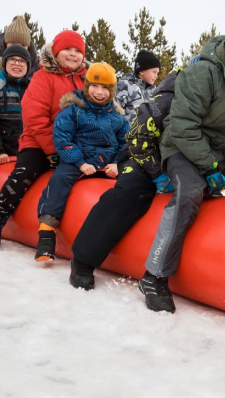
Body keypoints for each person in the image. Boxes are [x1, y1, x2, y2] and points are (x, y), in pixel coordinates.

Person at [133, 9, 225, 313]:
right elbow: (183, 127)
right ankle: (154, 275)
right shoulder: (203, 73)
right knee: (189, 192)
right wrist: (210, 167)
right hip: (182, 150)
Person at [68, 67, 181, 290]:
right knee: (130, 193)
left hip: (186, 162)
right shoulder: (167, 99)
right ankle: (83, 259)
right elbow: (139, 137)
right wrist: (157, 172)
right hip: (144, 155)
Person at [35, 62, 129, 262]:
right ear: (87, 86)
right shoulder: (73, 110)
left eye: (105, 88)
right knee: (58, 181)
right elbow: (62, 139)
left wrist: (117, 164)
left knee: (129, 183)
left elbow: (125, 143)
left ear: (112, 91)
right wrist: (79, 163)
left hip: (106, 163)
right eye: (95, 86)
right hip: (77, 159)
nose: (99, 92)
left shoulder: (118, 117)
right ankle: (47, 232)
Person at [0, 30, 86, 243]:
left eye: (78, 51)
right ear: (56, 53)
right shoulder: (42, 77)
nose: (73, 54)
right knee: (24, 172)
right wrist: (53, 150)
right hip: (38, 142)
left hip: (73, 145)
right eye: (67, 49)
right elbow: (35, 118)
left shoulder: (87, 81)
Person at [0, 45, 31, 165]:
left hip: (27, 151)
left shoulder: (33, 87)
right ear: (5, 62)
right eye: (12, 59)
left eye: (22, 61)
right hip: (5, 153)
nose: (17, 64)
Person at [115, 50, 161, 123]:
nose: (156, 76)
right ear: (142, 71)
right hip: (128, 132)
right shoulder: (126, 85)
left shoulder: (154, 91)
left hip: (148, 133)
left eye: (157, 73)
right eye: (154, 72)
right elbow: (115, 110)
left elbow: (157, 113)